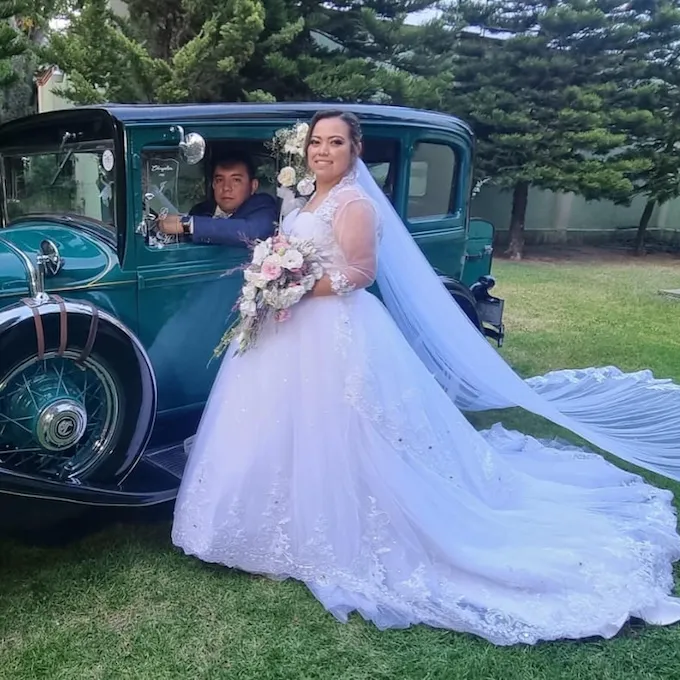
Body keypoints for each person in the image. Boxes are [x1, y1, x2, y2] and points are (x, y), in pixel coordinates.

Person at [171, 110, 680, 646]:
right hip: (286, 327)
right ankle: (263, 529)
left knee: (344, 426)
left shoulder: (354, 203)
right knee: (273, 421)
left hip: (330, 325)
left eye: (335, 142)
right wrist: (274, 277)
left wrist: (291, 289)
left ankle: (333, 531)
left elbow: (360, 272)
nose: (323, 151)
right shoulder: (302, 199)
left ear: (354, 150)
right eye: (317, 142)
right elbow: (285, 247)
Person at [158, 151, 277, 246]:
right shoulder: (200, 210)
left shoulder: (263, 205)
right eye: (220, 180)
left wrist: (188, 225)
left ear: (253, 186)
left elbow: (255, 232)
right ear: (213, 185)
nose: (226, 188)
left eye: (236, 180)